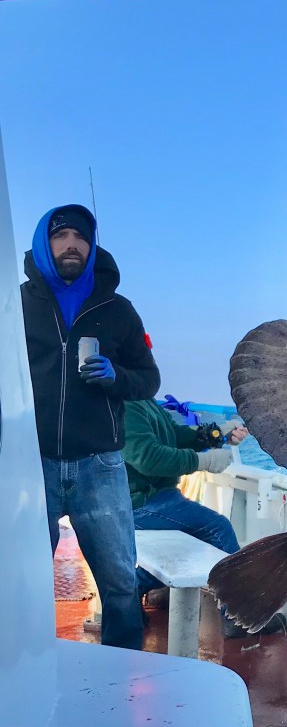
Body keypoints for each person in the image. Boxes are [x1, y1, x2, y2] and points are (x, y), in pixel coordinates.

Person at [22, 204, 160, 650]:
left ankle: (123, 680)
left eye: (81, 237)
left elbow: (149, 380)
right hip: (31, 465)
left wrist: (116, 377)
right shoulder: (15, 304)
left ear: (91, 245)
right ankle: (21, 673)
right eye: (61, 236)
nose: (71, 245)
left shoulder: (118, 311)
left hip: (99, 466)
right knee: (20, 581)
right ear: (46, 242)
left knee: (120, 582)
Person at [122, 398, 285, 637]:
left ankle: (130, 590)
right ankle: (237, 616)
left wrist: (215, 434)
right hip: (140, 503)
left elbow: (176, 435)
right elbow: (149, 458)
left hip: (155, 498)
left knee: (192, 539)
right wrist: (204, 461)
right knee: (217, 529)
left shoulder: (144, 401)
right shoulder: (128, 407)